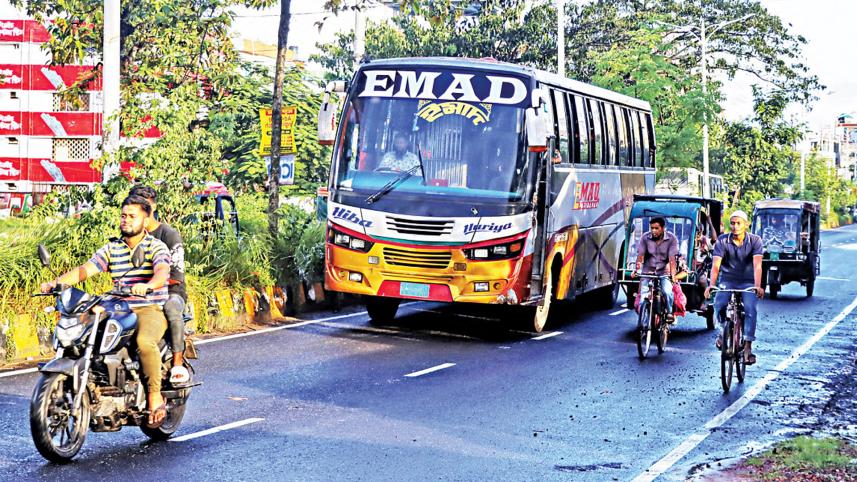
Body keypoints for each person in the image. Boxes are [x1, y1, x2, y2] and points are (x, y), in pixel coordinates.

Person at [40, 195, 172, 427]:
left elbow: (162, 272)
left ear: (145, 219)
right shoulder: (112, 247)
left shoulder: (155, 246)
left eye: (132, 216)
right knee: (83, 328)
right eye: (123, 216)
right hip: (117, 305)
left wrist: (150, 285)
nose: (126, 220)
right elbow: (85, 270)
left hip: (147, 306)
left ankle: (154, 396)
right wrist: (56, 283)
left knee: (144, 343)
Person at [130, 185, 190, 385]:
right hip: (137, 292)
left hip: (170, 290)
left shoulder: (168, 234)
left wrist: (151, 285)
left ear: (152, 207)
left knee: (171, 307)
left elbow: (176, 274)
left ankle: (177, 364)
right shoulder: (130, 234)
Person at [704, 210, 764, 365]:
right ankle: (722, 332)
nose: (735, 226)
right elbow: (716, 265)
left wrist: (757, 286)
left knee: (750, 308)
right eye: (732, 223)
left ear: (746, 225)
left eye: (739, 223)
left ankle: (747, 347)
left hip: (748, 282)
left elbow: (758, 266)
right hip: (728, 280)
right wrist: (711, 284)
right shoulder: (722, 241)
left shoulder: (755, 241)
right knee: (719, 303)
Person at [632, 217, 679, 322]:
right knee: (643, 297)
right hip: (647, 271)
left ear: (663, 228)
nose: (653, 231)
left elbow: (672, 259)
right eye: (652, 228)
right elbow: (640, 256)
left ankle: (669, 312)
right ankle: (643, 320)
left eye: (656, 228)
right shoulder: (645, 237)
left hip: (664, 272)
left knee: (667, 292)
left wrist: (673, 275)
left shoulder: (672, 239)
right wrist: (637, 269)